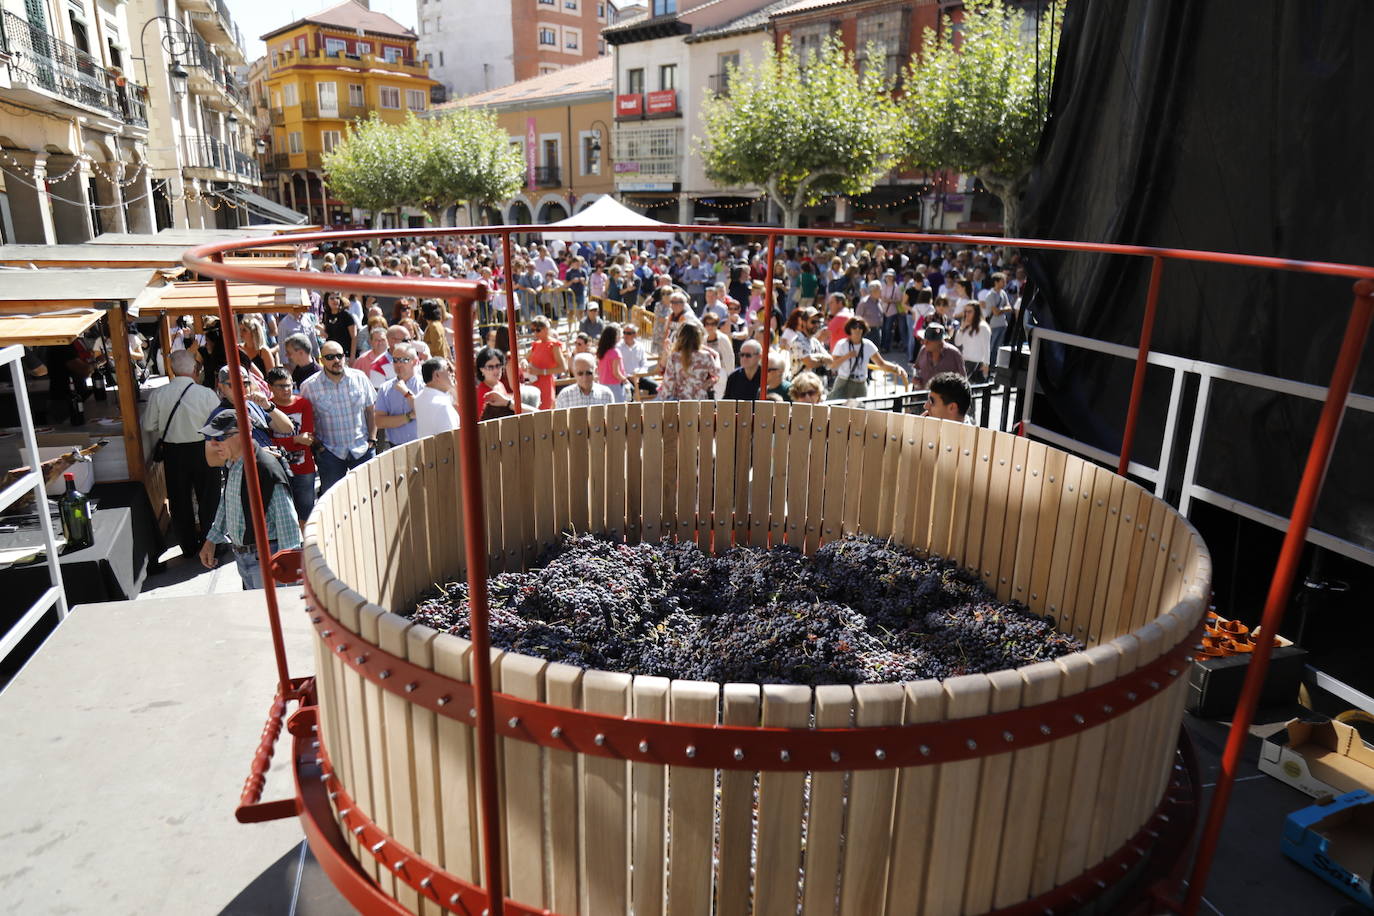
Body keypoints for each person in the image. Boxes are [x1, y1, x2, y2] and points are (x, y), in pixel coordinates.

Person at [197, 410, 301, 589]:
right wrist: (211, 540)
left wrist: (288, 573)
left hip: (267, 560)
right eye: (210, 438)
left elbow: (288, 527)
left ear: (244, 433)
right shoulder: (234, 463)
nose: (213, 445)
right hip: (244, 558)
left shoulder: (266, 469)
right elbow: (227, 502)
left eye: (220, 438)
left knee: (270, 614)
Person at [142, 350, 222, 560]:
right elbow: (219, 424)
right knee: (209, 498)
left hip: (174, 452)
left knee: (179, 500)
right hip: (203, 449)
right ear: (195, 369)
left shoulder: (159, 394)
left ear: (172, 370)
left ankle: (188, 546)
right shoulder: (206, 394)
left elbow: (149, 424)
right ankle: (212, 542)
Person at [301, 341, 377, 493]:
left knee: (370, 495)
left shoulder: (360, 378)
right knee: (333, 501)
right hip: (330, 453)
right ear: (321, 360)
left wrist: (372, 439)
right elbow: (306, 420)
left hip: (362, 449)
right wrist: (318, 446)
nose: (336, 360)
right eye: (330, 357)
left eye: (339, 356)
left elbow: (371, 410)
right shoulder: (309, 386)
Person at [265, 366, 317, 528]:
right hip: (278, 469)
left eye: (289, 385)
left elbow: (308, 438)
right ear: (270, 387)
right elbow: (268, 444)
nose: (286, 389)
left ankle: (307, 547)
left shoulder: (303, 404)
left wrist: (286, 442)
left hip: (304, 467)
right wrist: (296, 439)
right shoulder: (266, 408)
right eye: (281, 386)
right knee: (285, 513)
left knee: (306, 512)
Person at [827, 318, 908, 400]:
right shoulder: (842, 344)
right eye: (854, 327)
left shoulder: (868, 344)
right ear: (849, 329)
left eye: (860, 327)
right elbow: (832, 365)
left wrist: (896, 368)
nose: (857, 329)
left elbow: (881, 363)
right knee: (839, 409)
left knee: (860, 411)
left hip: (860, 383)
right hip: (844, 381)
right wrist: (847, 356)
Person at [373, 343, 423, 445]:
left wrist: (406, 393)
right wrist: (408, 416)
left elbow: (422, 412)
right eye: (395, 360)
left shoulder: (425, 385)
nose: (398, 364)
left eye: (404, 360)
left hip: (422, 446)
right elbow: (379, 421)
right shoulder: (385, 388)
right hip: (395, 448)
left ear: (415, 362)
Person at [657, 322, 720, 401]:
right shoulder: (706, 356)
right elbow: (716, 374)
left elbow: (669, 381)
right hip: (700, 400)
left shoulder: (675, 356)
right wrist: (717, 356)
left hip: (680, 400)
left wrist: (663, 399)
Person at [526, 315, 568, 410]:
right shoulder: (536, 344)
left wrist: (541, 372)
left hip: (546, 386)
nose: (535, 333)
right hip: (533, 384)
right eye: (533, 330)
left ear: (546, 329)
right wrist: (525, 363)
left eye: (538, 330)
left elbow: (563, 368)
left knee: (545, 416)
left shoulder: (554, 345)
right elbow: (526, 358)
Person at [414, 357, 460, 436]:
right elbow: (452, 440)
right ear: (437, 375)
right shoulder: (443, 406)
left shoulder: (418, 398)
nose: (452, 373)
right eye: (448, 369)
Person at [913, 324, 966, 389]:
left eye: (928, 341)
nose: (924, 343)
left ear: (940, 342)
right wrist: (916, 380)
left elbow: (963, 380)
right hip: (922, 394)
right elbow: (917, 368)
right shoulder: (923, 350)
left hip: (944, 396)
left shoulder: (954, 354)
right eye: (924, 340)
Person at [474, 346, 518, 420]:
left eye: (498, 366)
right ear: (481, 369)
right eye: (490, 367)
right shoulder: (481, 393)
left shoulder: (499, 384)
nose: (496, 370)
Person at [616, 324, 657, 399]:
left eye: (628, 333)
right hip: (625, 378)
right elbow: (617, 366)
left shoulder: (640, 346)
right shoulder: (618, 347)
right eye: (624, 333)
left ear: (634, 335)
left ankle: (650, 406)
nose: (625, 335)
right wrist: (627, 376)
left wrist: (638, 374)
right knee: (629, 390)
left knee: (655, 386)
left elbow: (644, 364)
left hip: (639, 377)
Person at [953, 301, 991, 382]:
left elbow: (986, 346)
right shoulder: (966, 325)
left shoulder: (983, 327)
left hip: (975, 363)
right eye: (965, 311)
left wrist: (986, 364)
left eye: (969, 311)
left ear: (976, 312)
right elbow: (957, 342)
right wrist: (962, 328)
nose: (967, 314)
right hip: (964, 360)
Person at [700, 311, 735, 399]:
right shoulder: (703, 339)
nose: (710, 327)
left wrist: (730, 377)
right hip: (707, 375)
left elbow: (730, 358)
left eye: (713, 324)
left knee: (719, 398)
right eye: (707, 324)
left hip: (721, 373)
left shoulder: (723, 339)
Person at [596, 325, 631, 403]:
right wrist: (625, 380)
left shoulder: (602, 351)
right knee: (619, 409)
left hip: (602, 384)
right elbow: (616, 372)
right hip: (614, 386)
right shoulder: (615, 352)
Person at [322, 292, 358, 357]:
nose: (335, 300)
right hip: (331, 355)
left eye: (337, 298)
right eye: (332, 298)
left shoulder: (346, 316)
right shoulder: (326, 316)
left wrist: (352, 357)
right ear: (327, 301)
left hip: (345, 355)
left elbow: (354, 338)